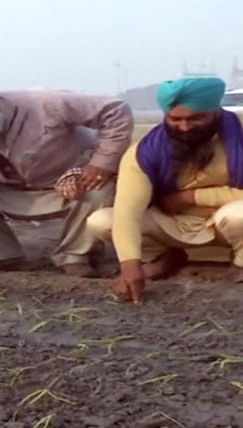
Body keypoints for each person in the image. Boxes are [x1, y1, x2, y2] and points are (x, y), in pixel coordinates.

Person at [0, 73, 133, 284]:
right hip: (10, 190)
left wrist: (102, 162)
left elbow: (115, 109)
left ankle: (75, 255)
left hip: (71, 182)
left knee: (100, 186)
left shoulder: (43, 103)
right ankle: (0, 255)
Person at [87, 77, 243, 303]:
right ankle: (162, 257)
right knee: (102, 220)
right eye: (175, 119)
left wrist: (193, 196)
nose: (185, 127)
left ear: (215, 112)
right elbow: (127, 213)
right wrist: (130, 265)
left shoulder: (238, 134)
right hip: (172, 223)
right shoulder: (145, 151)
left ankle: (240, 262)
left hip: (227, 222)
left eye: (196, 118)